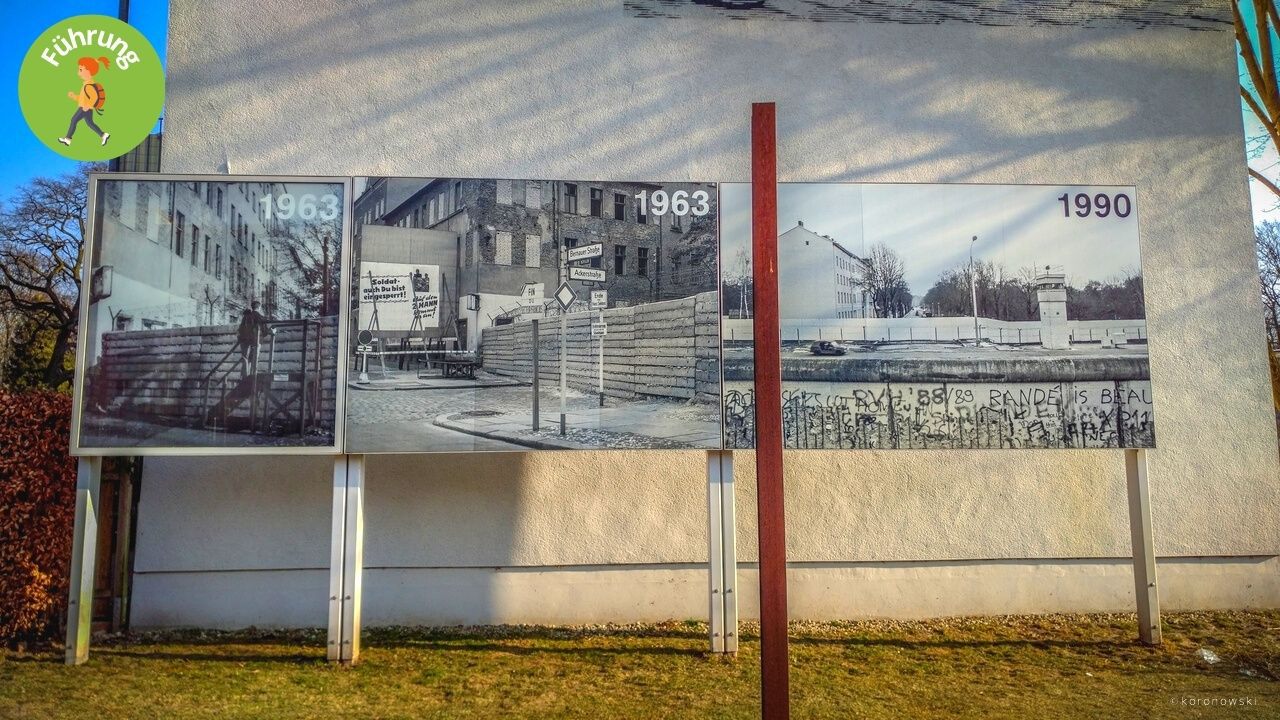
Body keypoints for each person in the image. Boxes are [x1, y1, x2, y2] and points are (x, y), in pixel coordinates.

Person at [58, 57, 111, 147]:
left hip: (84, 108)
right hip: (86, 107)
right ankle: (103, 135)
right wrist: (74, 96)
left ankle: (67, 139)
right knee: (90, 123)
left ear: (89, 71)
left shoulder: (89, 85)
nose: (78, 73)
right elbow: (82, 98)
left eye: (81, 70)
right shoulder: (86, 84)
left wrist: (87, 105)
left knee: (73, 120)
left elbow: (94, 97)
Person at [237, 301, 265, 375]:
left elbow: (240, 329)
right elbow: (264, 330)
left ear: (252, 307)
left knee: (245, 358)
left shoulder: (246, 316)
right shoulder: (260, 316)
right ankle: (253, 375)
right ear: (259, 307)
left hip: (245, 341)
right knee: (255, 358)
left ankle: (245, 375)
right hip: (256, 340)